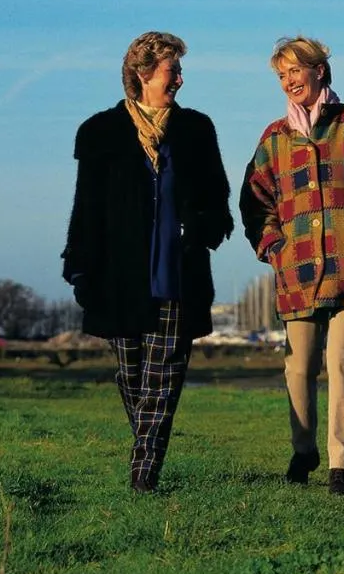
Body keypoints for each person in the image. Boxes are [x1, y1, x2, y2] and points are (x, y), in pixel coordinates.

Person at [61, 31, 234, 494]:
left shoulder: (197, 130)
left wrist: (199, 230)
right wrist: (79, 266)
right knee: (133, 377)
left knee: (163, 383)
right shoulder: (99, 132)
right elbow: (86, 207)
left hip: (177, 277)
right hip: (118, 281)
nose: (179, 78)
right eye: (171, 69)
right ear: (142, 74)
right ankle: (147, 452)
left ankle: (143, 477)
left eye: (178, 69)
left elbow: (219, 200)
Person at [240, 35, 344, 496]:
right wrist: (274, 247)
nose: (290, 81)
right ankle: (303, 449)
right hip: (298, 274)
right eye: (282, 75)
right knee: (299, 367)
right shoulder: (274, 138)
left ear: (319, 71)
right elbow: (255, 203)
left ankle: (339, 465)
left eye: (296, 71)